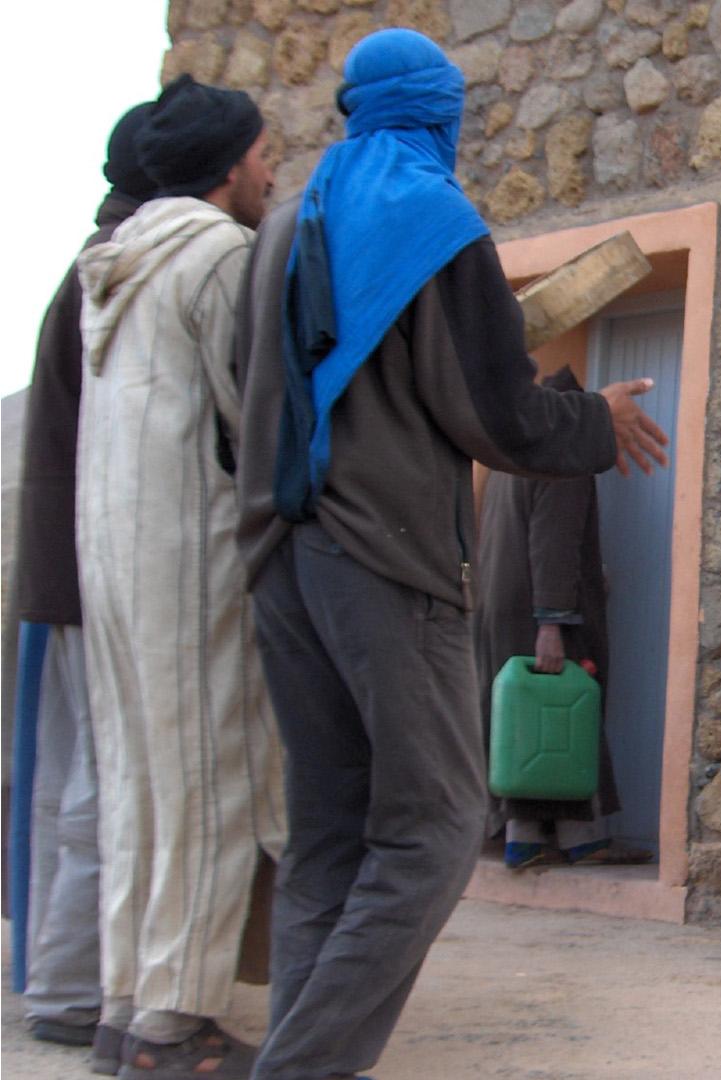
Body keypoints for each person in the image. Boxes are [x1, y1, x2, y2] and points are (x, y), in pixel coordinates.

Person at [232, 30, 669, 1080]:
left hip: (277, 554)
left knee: (331, 837)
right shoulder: (431, 217)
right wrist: (597, 424)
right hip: (382, 557)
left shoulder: (288, 225)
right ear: (438, 112)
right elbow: (497, 416)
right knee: (433, 833)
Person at [73, 75, 285, 1079]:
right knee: (208, 778)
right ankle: (177, 1026)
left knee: (140, 783)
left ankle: (129, 999)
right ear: (229, 165)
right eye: (263, 154)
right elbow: (258, 413)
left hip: (113, 557)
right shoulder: (215, 258)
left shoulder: (115, 266)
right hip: (188, 555)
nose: (272, 169)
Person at [13, 100, 155, 1054]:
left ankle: (63, 978)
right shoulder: (111, 274)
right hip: (87, 571)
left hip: (65, 570)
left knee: (79, 781)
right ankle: (67, 991)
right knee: (98, 788)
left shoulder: (92, 267)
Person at [473, 366, 623, 870]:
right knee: (562, 715)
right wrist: (553, 621)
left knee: (524, 722)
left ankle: (525, 835)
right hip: (542, 612)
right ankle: (579, 837)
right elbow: (553, 541)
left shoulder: (510, 455)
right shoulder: (566, 454)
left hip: (500, 606)